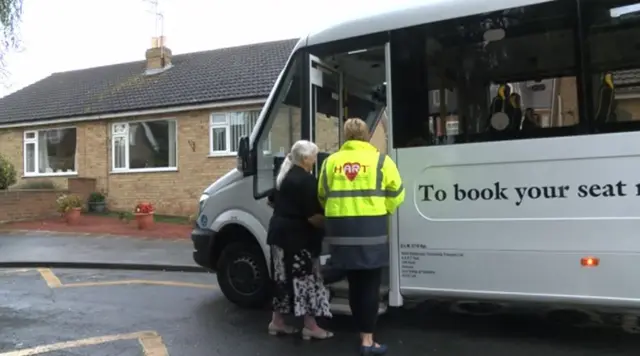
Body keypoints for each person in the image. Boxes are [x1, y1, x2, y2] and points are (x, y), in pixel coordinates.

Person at [318, 118, 405, 355]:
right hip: (371, 232)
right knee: (369, 285)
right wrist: (383, 208)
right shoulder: (380, 161)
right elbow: (397, 193)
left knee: (355, 285)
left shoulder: (330, 162)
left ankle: (360, 331)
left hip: (340, 233)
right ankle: (367, 341)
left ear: (346, 136)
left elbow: (322, 195)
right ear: (367, 135)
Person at [267, 140, 334, 340]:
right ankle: (311, 326)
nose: (316, 160)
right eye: (314, 156)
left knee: (282, 279)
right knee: (306, 280)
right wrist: (332, 225)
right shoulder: (306, 181)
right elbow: (313, 216)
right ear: (305, 159)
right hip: (298, 239)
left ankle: (277, 322)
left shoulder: (283, 176)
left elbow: (271, 201)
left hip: (279, 235)